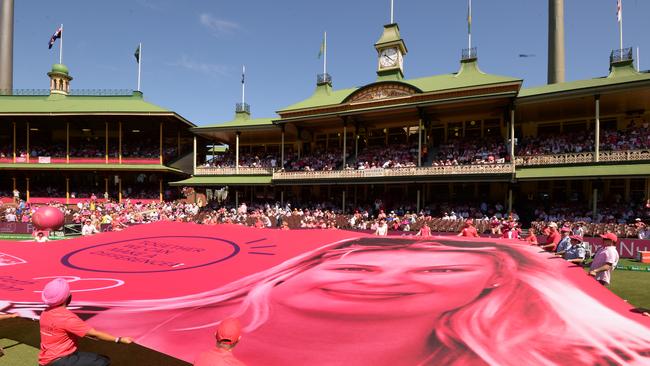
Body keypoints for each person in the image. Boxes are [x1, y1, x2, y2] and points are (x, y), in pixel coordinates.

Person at [86, 237, 650, 365]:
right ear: (297, 270)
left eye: (441, 266)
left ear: (489, 287)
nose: (376, 278)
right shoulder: (151, 320)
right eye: (356, 262)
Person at [38, 278, 133, 366]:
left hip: (46, 359)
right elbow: (95, 334)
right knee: (103, 362)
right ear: (68, 297)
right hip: (61, 360)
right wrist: (119, 340)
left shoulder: (45, 313)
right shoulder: (67, 318)